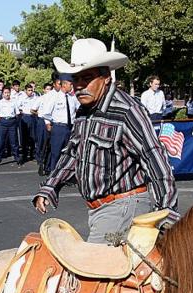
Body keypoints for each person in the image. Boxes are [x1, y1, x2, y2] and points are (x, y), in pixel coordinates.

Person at [33, 38, 178, 243]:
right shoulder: (84, 111)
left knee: (88, 269)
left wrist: (167, 211)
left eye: (87, 78)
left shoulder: (126, 111)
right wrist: (50, 186)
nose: (80, 86)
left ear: (106, 78)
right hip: (99, 209)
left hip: (125, 207)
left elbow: (155, 158)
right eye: (76, 79)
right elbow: (74, 153)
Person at [41, 74, 79, 174]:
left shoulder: (72, 97)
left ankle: (65, 175)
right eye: (71, 84)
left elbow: (78, 109)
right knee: (56, 153)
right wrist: (54, 121)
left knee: (68, 154)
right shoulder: (55, 97)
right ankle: (54, 175)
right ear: (65, 85)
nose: (72, 86)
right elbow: (46, 113)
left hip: (70, 128)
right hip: (58, 128)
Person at [0, 86, 20, 166]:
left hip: (12, 122)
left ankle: (17, 157)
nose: (7, 94)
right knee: (0, 142)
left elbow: (17, 113)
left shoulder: (13, 102)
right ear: (2, 94)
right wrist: (1, 122)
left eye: (8, 93)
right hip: (3, 122)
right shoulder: (0, 102)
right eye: (5, 93)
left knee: (14, 142)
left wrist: (13, 121)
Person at [32, 82, 54, 174]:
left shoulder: (54, 99)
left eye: (50, 89)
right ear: (44, 90)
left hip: (51, 121)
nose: (49, 91)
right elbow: (32, 110)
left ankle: (47, 160)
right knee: (41, 140)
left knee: (49, 142)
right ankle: (39, 159)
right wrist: (40, 114)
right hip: (41, 121)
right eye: (47, 89)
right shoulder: (40, 99)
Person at [18, 84, 38, 163]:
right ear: (25, 90)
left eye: (31, 90)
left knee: (32, 136)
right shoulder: (21, 98)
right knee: (24, 137)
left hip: (32, 118)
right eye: (29, 90)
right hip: (24, 117)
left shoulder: (35, 98)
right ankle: (24, 154)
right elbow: (18, 107)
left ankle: (32, 154)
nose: (30, 92)